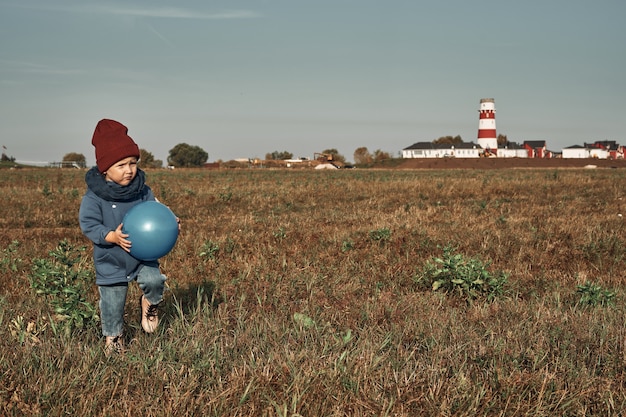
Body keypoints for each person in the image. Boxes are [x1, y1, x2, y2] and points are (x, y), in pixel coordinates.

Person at [79, 119, 177, 355]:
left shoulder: (142, 190)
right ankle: (114, 338)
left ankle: (150, 304)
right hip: (111, 259)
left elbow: (158, 211)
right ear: (105, 169)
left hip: (143, 256)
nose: (129, 170)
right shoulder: (95, 197)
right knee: (112, 303)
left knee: (154, 281)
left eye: (133, 163)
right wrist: (110, 235)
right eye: (121, 165)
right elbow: (88, 224)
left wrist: (172, 222)